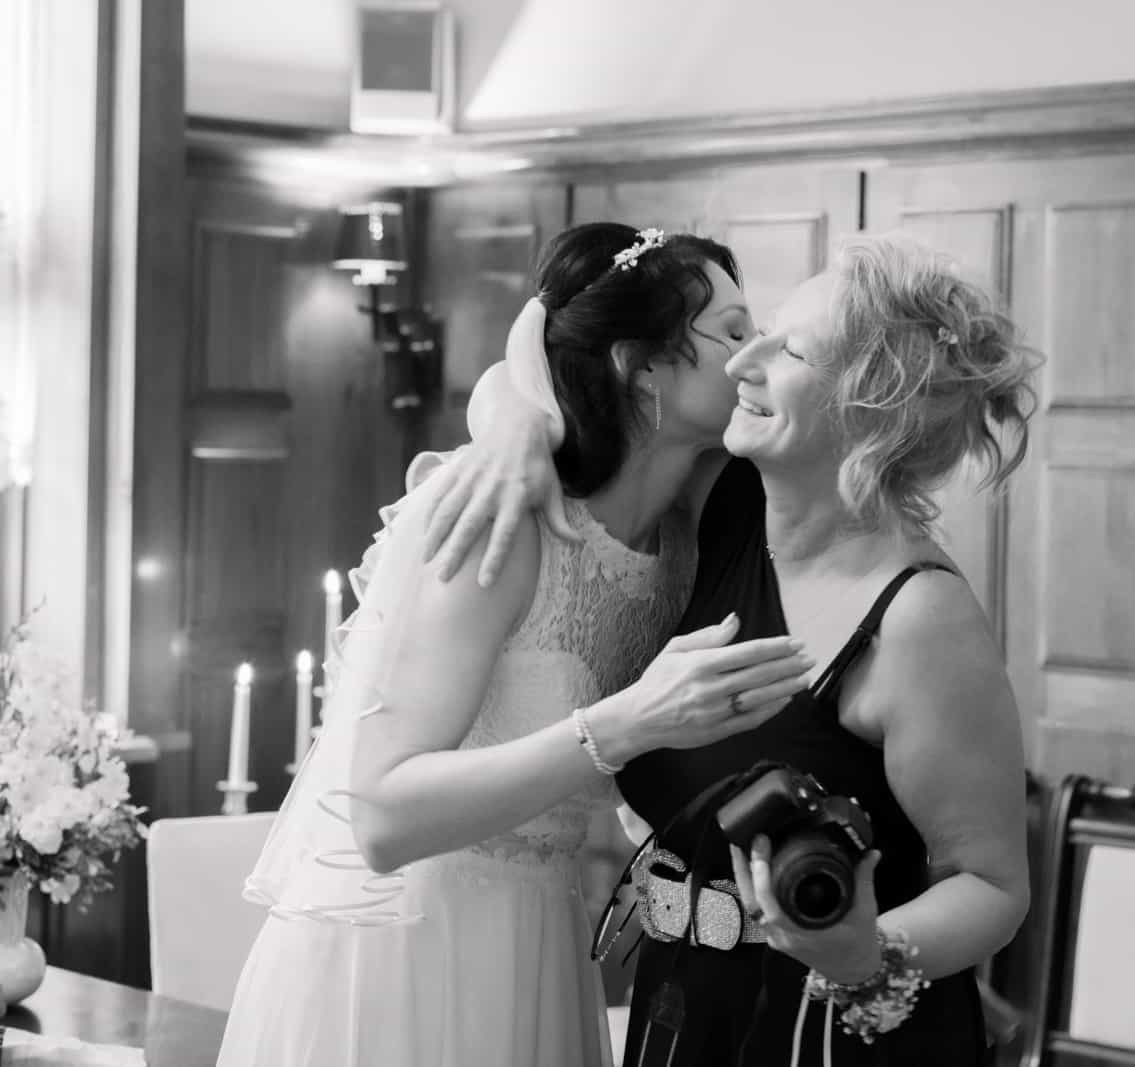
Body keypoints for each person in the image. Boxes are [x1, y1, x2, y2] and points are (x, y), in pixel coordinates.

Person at [428, 234, 1037, 1065]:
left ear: (870, 404)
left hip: (834, 1037)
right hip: (682, 1012)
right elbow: (568, 355)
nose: (743, 361)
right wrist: (512, 427)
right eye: (755, 332)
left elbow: (992, 885)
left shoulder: (920, 618)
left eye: (789, 348)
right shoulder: (719, 500)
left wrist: (864, 953)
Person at [215, 224, 815, 1067]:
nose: (757, 356)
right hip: (411, 947)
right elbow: (382, 815)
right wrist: (626, 724)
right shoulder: (501, 517)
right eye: (733, 331)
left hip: (542, 938)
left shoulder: (688, 539)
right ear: (639, 365)